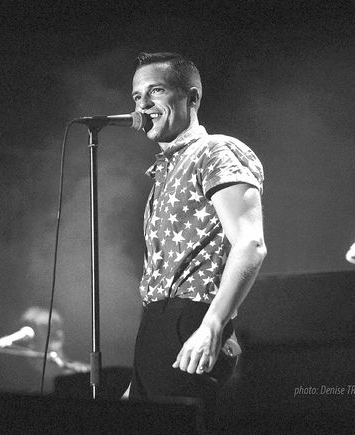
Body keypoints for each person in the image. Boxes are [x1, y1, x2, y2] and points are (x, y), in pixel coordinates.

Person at [125, 52, 266, 426]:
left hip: (194, 317)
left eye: (155, 91)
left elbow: (250, 243)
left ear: (191, 98)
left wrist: (212, 325)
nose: (143, 104)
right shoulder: (165, 167)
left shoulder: (216, 150)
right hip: (158, 327)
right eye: (137, 96)